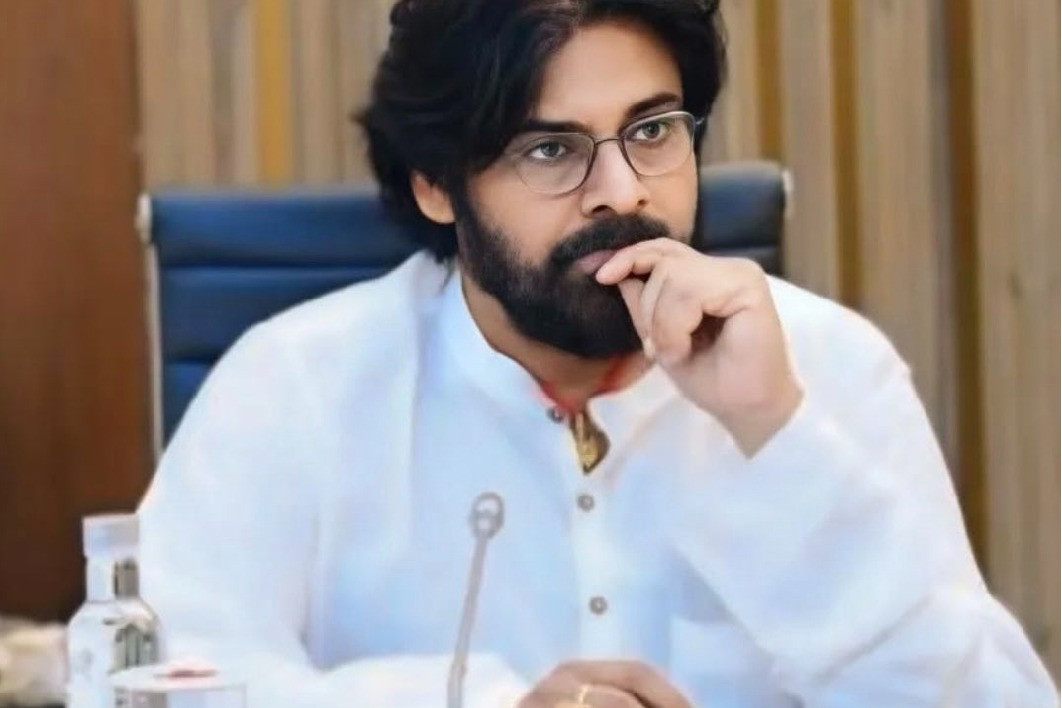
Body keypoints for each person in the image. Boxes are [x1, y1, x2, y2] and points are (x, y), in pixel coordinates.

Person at [137, 0, 1057, 706]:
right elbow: (164, 686)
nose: (622, 192)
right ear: (437, 184)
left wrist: (776, 435)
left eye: (652, 131)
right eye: (551, 150)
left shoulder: (828, 368)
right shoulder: (293, 388)